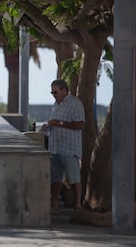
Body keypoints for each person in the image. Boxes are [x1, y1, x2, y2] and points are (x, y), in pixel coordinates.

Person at [41, 79, 85, 212]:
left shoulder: (75, 104)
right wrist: (48, 126)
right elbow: (54, 123)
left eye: (55, 92)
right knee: (56, 178)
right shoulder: (55, 104)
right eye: (52, 92)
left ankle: (78, 205)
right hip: (55, 148)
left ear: (64, 90)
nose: (53, 95)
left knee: (74, 178)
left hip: (69, 148)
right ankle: (54, 204)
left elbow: (80, 124)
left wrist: (59, 123)